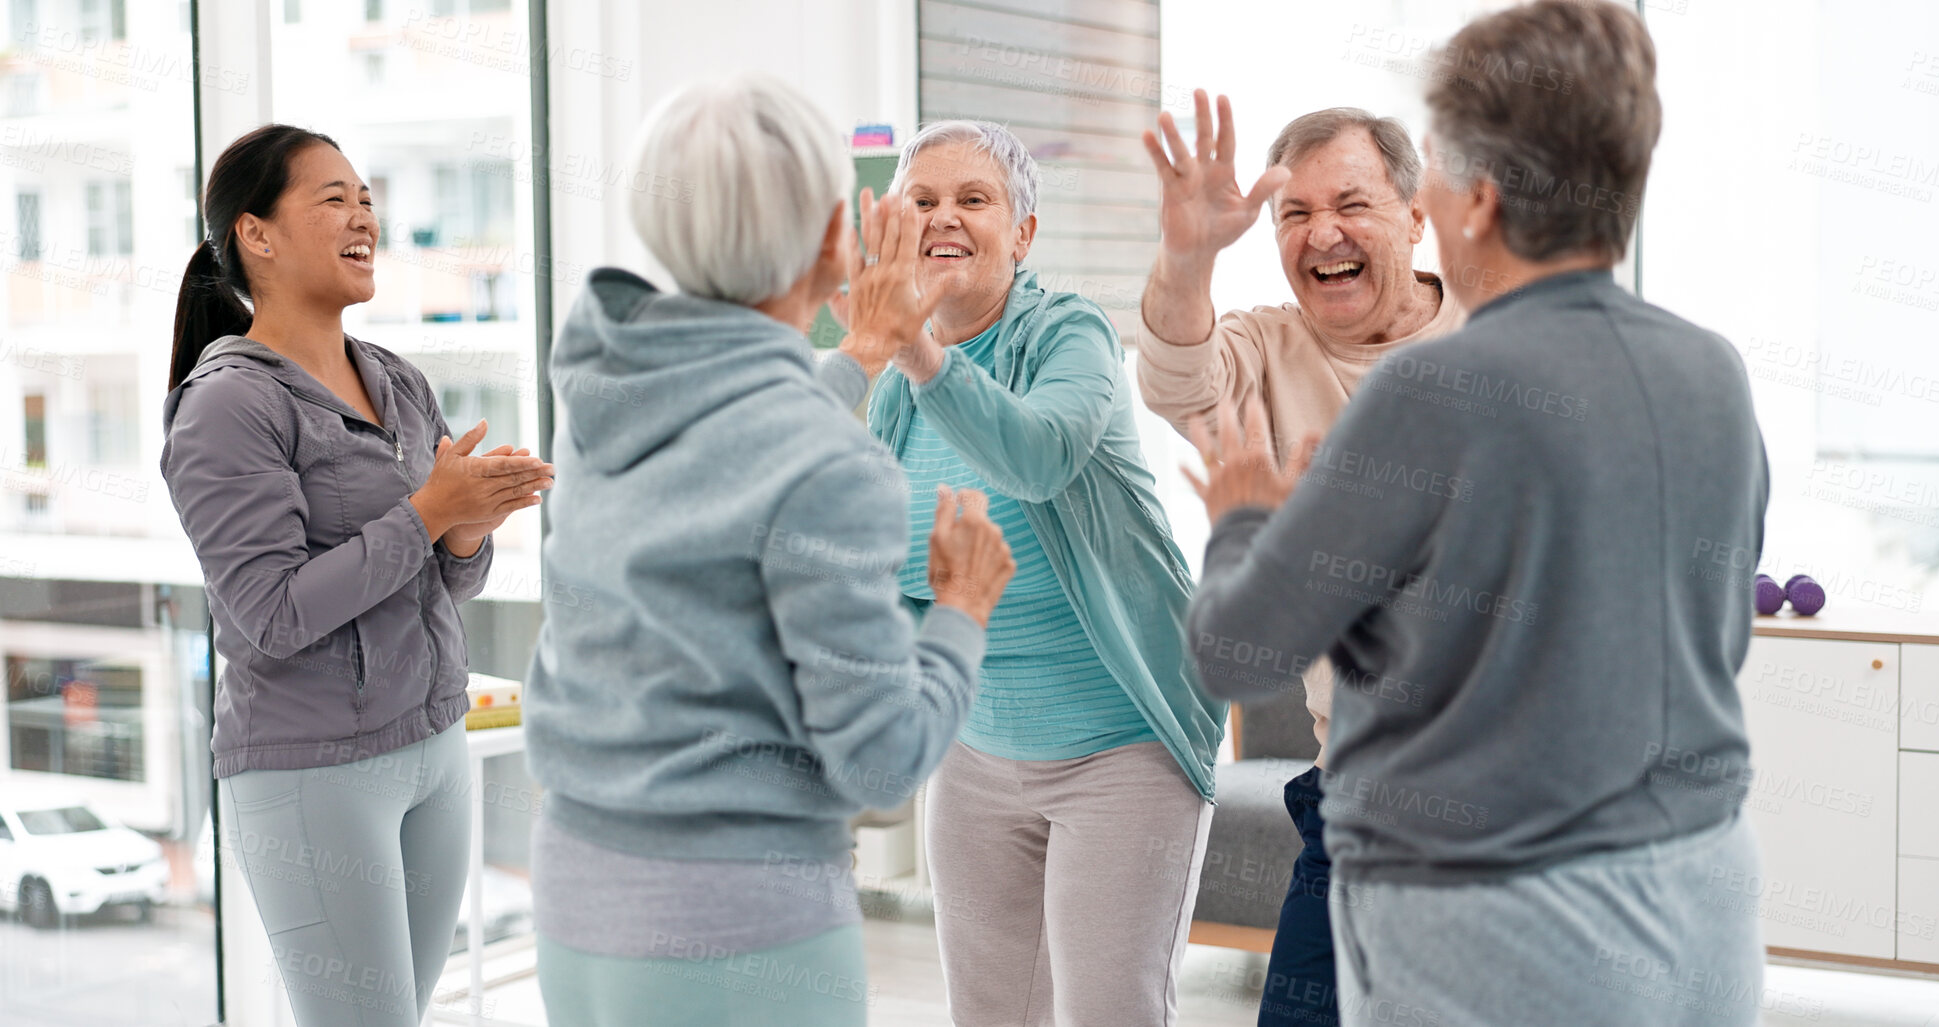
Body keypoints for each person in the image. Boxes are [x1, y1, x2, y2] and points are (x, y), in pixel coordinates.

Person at [1185, 2, 1768, 1024]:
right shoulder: (1710, 373)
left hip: (1496, 918)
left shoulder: (1430, 393)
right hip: (1706, 894)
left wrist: (1245, 520)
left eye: (1438, 176)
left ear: (1480, 202)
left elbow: (1234, 652)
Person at [521, 75, 1015, 1027]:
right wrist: (960, 610)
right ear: (838, 239)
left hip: (575, 894)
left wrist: (856, 357)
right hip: (737, 923)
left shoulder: (606, 387)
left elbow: (739, 453)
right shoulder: (829, 463)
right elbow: (879, 762)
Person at [161, 125, 554, 1027]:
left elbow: (441, 590)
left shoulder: (398, 379)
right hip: (313, 770)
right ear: (255, 235)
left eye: (367, 200)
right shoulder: (227, 403)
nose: (362, 218)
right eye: (333, 199)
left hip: (432, 745)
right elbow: (271, 613)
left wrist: (465, 531)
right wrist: (424, 514)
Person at [863, 120, 1225, 1026]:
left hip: (1122, 745)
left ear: (1022, 236)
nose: (945, 218)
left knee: (1108, 1011)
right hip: (975, 748)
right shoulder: (889, 389)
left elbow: (1039, 457)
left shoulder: (1073, 336)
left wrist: (914, 347)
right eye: (923, 201)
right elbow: (871, 564)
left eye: (973, 200)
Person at [1136, 93, 1467, 1026]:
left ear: (1414, 214)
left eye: (1350, 204)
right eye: (1295, 214)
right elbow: (1174, 377)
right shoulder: (1264, 345)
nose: (1322, 231)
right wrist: (1190, 251)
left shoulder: (1500, 334)